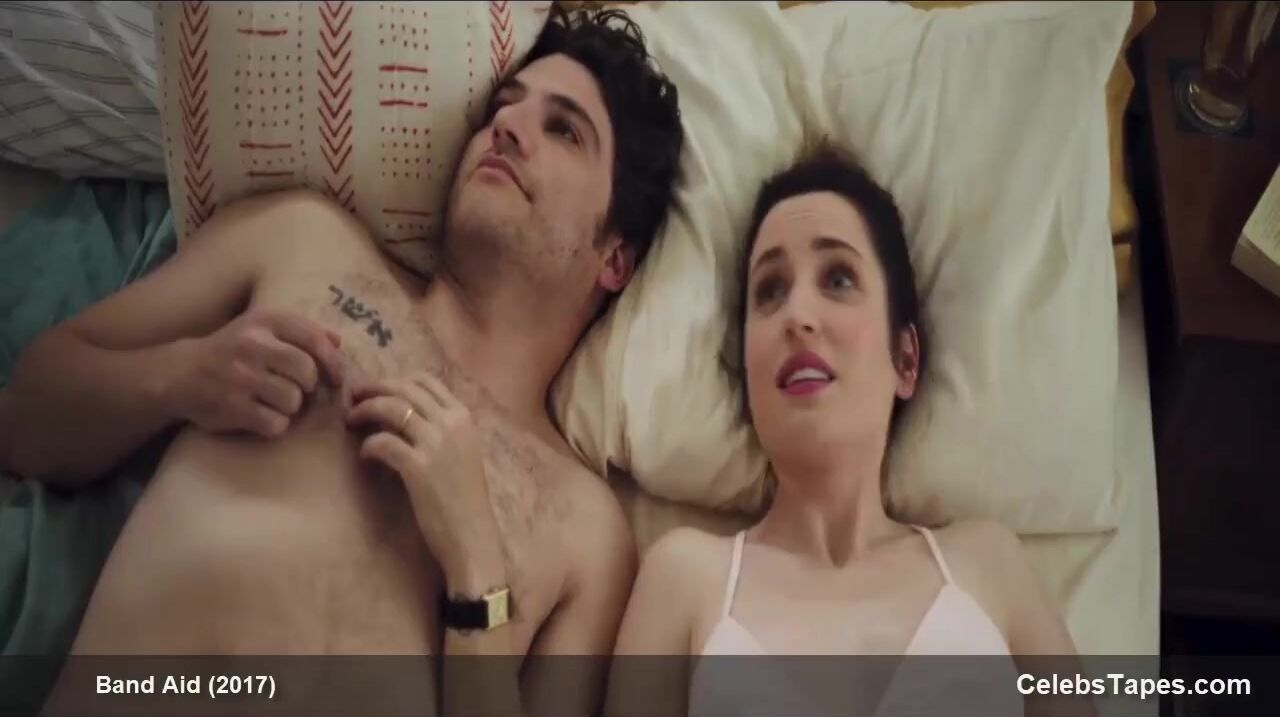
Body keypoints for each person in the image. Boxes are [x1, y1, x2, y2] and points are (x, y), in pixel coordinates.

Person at [3, 6, 683, 716]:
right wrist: (182, 378)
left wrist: (478, 569)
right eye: (502, 107)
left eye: (564, 130)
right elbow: (24, 418)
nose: (507, 126)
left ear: (614, 258)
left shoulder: (589, 533)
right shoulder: (305, 243)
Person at [606, 142, 1091, 717]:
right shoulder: (683, 580)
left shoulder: (990, 565)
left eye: (838, 278)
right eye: (770, 291)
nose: (797, 315)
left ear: (905, 360)